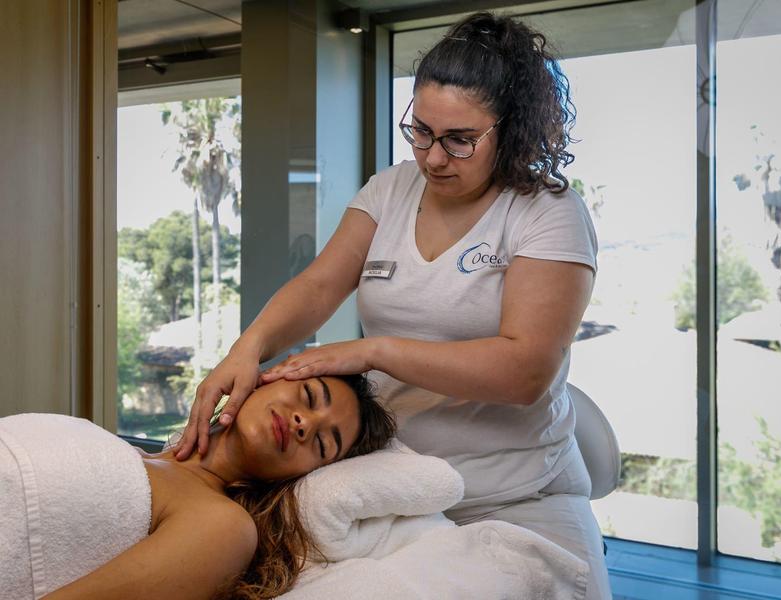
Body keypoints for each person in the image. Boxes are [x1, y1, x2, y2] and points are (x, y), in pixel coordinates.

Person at [177, 11, 610, 599]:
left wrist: (372, 351)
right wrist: (247, 347)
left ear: (512, 131)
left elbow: (525, 371)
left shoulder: (547, 212)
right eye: (421, 131)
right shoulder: (392, 188)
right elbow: (319, 286)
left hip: (516, 494)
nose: (433, 158)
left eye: (460, 140)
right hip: (391, 485)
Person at [2, 374, 395, 600]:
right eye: (309, 396)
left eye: (322, 444)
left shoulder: (223, 526)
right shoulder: (131, 455)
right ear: (265, 378)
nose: (304, 423)